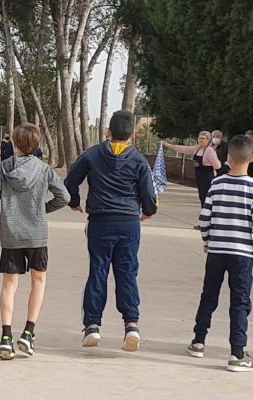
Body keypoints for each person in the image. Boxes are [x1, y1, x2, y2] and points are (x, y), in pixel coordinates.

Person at [64, 110, 158, 352]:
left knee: (98, 270)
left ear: (108, 131)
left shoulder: (92, 154)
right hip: (128, 222)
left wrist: (74, 201)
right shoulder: (138, 160)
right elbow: (149, 193)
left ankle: (93, 325)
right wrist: (148, 211)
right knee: (127, 272)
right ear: (133, 135)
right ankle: (131, 325)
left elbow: (70, 180)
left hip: (100, 221)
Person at [0, 123, 70, 360]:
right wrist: (43, 209)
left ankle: (5, 336)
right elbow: (64, 197)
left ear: (15, 143)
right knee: (39, 280)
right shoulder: (44, 170)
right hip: (36, 233)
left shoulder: (5, 167)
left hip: (11, 233)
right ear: (37, 144)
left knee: (9, 284)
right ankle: (28, 332)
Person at [188, 134, 253, 372]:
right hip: (242, 254)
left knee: (208, 295)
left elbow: (205, 217)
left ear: (228, 158)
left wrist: (207, 240)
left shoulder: (217, 183)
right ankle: (237, 353)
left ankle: (198, 341)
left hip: (217, 250)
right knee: (240, 301)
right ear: (252, 159)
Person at [163, 131, 222, 229]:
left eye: (203, 138)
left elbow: (217, 165)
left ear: (208, 140)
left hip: (207, 178)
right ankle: (205, 223)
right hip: (199, 178)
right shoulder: (196, 148)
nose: (201, 140)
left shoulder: (209, 151)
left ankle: (207, 224)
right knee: (202, 200)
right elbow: (182, 149)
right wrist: (167, 145)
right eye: (199, 138)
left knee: (206, 201)